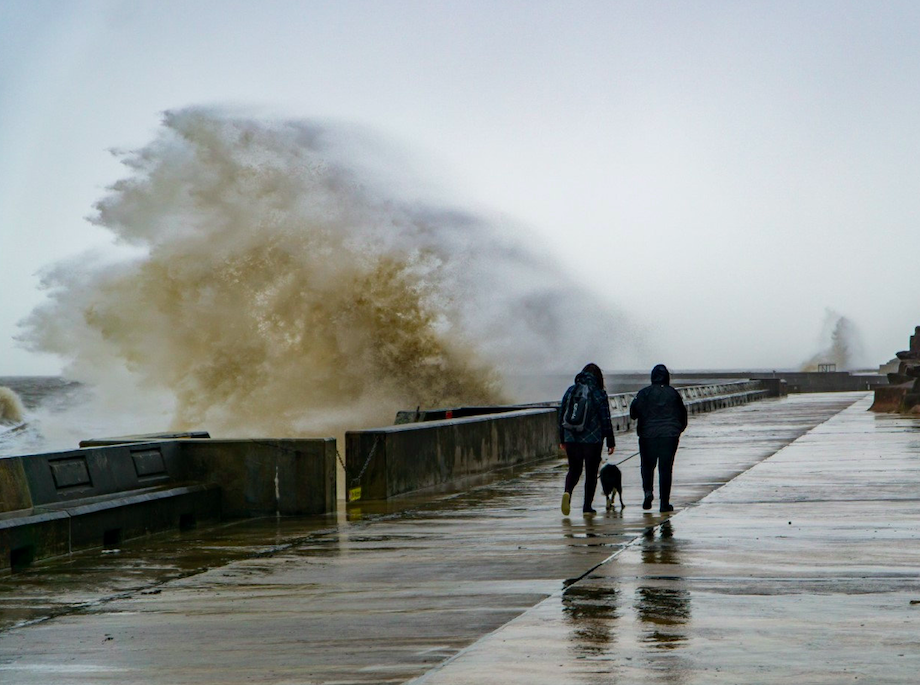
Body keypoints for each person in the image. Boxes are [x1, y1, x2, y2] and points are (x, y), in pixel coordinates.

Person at [558, 363, 615, 516]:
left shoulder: (571, 390)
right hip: (592, 440)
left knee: (574, 470)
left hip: (571, 438)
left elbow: (561, 415)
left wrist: (562, 438)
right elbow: (605, 419)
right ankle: (587, 507)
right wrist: (610, 441)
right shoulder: (599, 393)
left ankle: (567, 493)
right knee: (591, 473)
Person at [629, 364, 687, 512]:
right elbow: (683, 416)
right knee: (665, 469)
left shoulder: (643, 393)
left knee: (647, 466)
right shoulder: (673, 393)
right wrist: (677, 431)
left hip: (648, 436)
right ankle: (664, 503)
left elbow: (633, 413)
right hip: (669, 436)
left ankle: (648, 492)